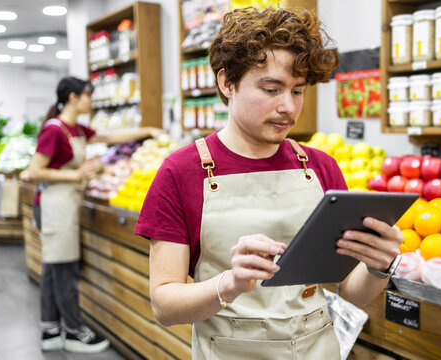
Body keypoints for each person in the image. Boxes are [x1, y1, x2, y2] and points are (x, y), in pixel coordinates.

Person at [135, 7, 404, 359]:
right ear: (226, 83)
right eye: (271, 89)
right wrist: (229, 284)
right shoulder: (180, 172)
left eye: (297, 91)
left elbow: (351, 292)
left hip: (317, 349)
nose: (288, 108)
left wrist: (378, 265)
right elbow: (165, 305)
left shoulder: (321, 168)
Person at [25, 76, 161, 353]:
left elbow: (109, 137)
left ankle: (50, 329)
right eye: (88, 95)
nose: (91, 100)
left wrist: (148, 130)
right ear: (73, 98)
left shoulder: (74, 128)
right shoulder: (54, 130)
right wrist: (76, 174)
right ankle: (74, 331)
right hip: (54, 205)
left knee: (53, 267)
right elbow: (32, 170)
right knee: (64, 269)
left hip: (65, 203)